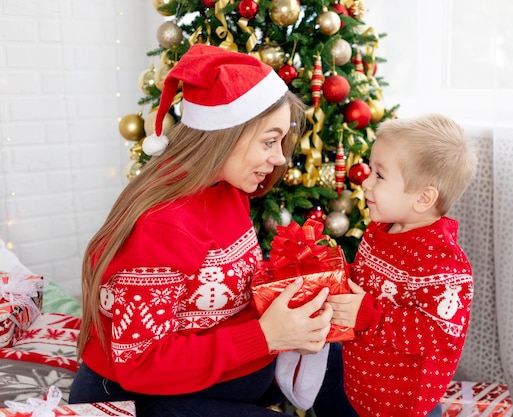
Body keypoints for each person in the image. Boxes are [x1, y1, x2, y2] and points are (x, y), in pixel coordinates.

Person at [69, 44, 355, 417]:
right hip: (142, 396)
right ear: (225, 135)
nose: (280, 158)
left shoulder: (228, 190)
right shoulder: (162, 222)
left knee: (344, 357)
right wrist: (267, 336)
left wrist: (299, 303)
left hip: (222, 381)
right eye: (269, 141)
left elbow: (221, 287)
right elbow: (140, 361)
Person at [328, 114, 477, 417]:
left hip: (400, 405)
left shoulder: (444, 263)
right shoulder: (381, 229)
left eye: (379, 176)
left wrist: (369, 316)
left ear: (423, 198)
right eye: (370, 170)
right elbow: (369, 282)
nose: (366, 182)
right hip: (360, 384)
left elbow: (438, 333)